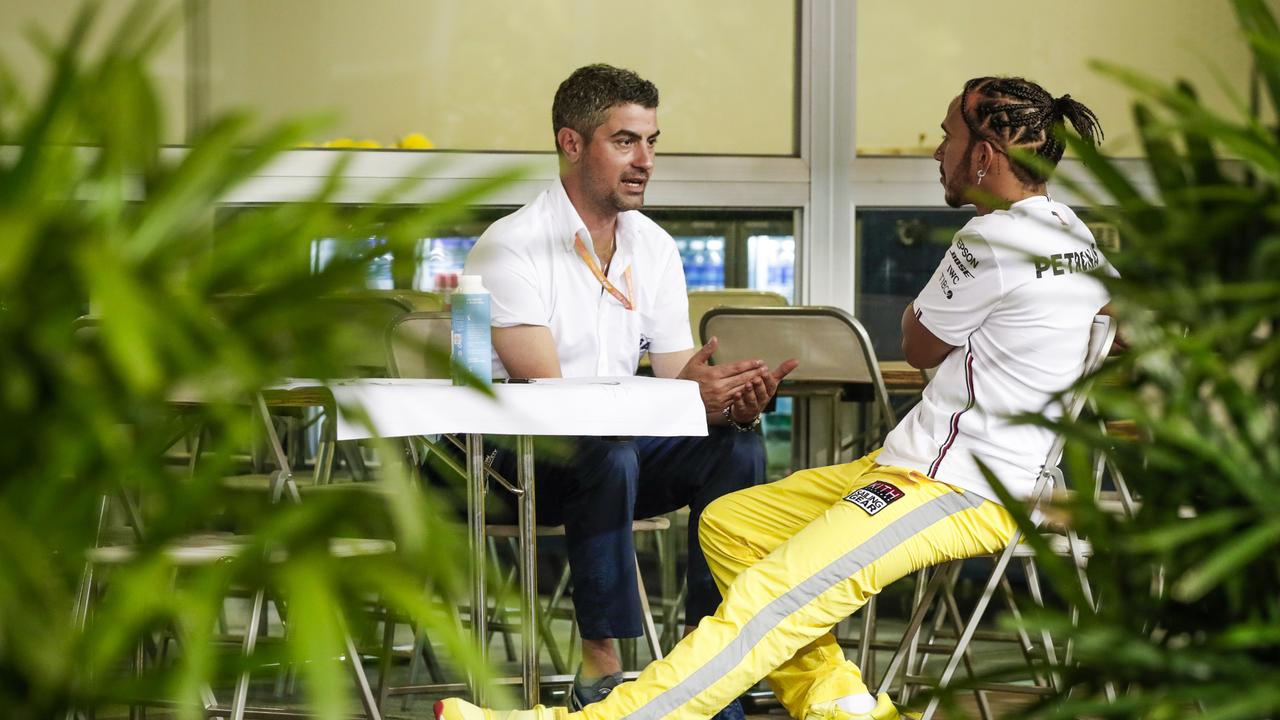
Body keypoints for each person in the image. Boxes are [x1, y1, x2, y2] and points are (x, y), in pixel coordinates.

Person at [437, 74, 1111, 720]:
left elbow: (919, 344)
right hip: (923, 465)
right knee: (732, 525)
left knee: (769, 594)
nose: (938, 151)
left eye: (946, 138)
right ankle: (844, 707)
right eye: (626, 141)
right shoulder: (1074, 234)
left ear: (985, 155)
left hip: (956, 484)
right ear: (572, 142)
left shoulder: (992, 236)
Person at [460, 63, 798, 715]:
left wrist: (722, 399)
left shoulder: (655, 247)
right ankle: (603, 668)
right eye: (625, 141)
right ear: (571, 143)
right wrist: (678, 397)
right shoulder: (512, 247)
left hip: (607, 451)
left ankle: (713, 663)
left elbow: (675, 380)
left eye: (651, 142)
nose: (645, 160)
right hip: (518, 461)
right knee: (605, 451)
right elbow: (550, 399)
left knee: (736, 451)